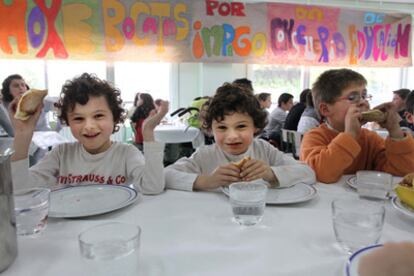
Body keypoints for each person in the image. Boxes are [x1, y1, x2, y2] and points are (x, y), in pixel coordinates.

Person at [9, 73, 169, 195]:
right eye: (78, 118)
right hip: (68, 231)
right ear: (67, 121)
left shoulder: (126, 154)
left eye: (98, 116)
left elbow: (152, 186)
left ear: (114, 117)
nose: (89, 126)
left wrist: (147, 133)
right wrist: (22, 133)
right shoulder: (60, 155)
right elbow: (19, 189)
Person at [164, 83, 315, 191]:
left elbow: (308, 173)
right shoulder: (205, 155)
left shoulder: (265, 150)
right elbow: (165, 175)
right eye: (222, 127)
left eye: (241, 126)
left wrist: (272, 173)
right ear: (211, 129)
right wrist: (207, 181)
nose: (232, 136)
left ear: (255, 126)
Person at [300, 68, 414, 183]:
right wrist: (350, 135)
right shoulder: (314, 137)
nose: (363, 102)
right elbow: (320, 175)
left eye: (364, 96)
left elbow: (403, 172)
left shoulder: (371, 139)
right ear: (325, 109)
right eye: (352, 98)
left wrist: (395, 131)